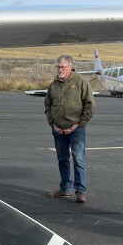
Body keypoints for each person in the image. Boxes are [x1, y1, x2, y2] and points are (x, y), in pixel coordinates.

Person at [44, 54, 95, 203]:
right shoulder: (53, 84)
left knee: (78, 159)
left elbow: (90, 105)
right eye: (57, 67)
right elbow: (48, 105)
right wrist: (52, 123)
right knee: (62, 159)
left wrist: (80, 124)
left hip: (76, 129)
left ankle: (80, 191)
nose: (59, 69)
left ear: (70, 67)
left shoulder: (80, 82)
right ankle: (65, 189)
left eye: (62, 67)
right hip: (58, 130)